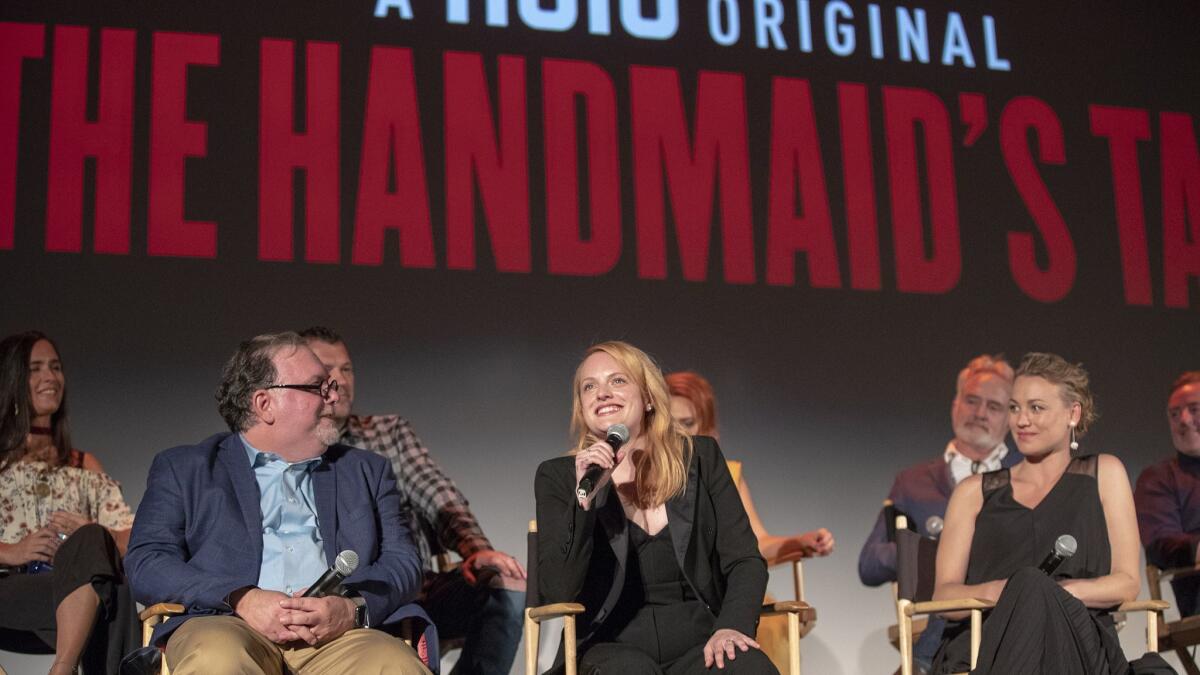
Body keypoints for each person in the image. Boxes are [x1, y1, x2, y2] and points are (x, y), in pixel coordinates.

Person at [125, 332, 431, 675]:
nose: (335, 395)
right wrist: (241, 597)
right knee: (217, 661)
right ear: (264, 404)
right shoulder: (186, 468)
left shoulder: (365, 470)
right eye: (319, 387)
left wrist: (351, 608)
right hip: (226, 623)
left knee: (393, 666)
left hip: (337, 636)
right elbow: (147, 562)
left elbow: (403, 562)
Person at [535, 341, 778, 674]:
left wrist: (731, 626)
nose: (602, 393)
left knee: (747, 668)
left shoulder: (700, 458)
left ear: (649, 397)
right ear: (581, 406)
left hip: (700, 642)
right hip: (608, 647)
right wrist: (585, 501)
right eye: (589, 386)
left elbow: (745, 560)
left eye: (618, 380)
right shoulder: (560, 476)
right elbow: (557, 589)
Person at [299, 326, 524, 675]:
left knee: (505, 581)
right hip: (329, 594)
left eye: (347, 369)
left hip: (411, 589)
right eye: (327, 369)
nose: (340, 380)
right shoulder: (287, 449)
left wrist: (475, 549)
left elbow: (439, 495)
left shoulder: (387, 432)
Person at [930, 353, 1142, 674]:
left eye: (1036, 408)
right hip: (988, 643)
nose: (1021, 420)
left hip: (1076, 638)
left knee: (1033, 585)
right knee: (1028, 584)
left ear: (1073, 413)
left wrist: (1050, 595)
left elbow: (1126, 583)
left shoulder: (1104, 473)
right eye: (1014, 408)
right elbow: (944, 594)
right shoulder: (974, 492)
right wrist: (1011, 592)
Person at [857, 354, 1020, 672]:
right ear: (955, 404)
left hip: (1011, 622)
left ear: (1011, 417)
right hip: (944, 627)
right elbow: (870, 564)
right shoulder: (914, 481)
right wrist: (934, 552)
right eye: (972, 400)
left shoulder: (1027, 475)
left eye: (994, 406)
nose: (980, 413)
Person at [665, 371, 833, 672]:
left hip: (720, 599)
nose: (678, 432)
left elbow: (755, 546)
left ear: (708, 426)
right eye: (670, 422)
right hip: (672, 605)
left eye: (688, 423)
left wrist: (798, 543)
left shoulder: (726, 475)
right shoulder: (645, 475)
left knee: (768, 624)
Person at [0, 331, 138, 675]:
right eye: (35, 369)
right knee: (114, 597)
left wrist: (96, 533)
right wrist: (11, 551)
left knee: (98, 552)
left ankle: (62, 668)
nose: (50, 377)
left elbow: (134, 538)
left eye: (55, 367)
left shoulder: (83, 464)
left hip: (69, 591)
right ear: (12, 380)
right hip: (8, 591)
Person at [1135, 371, 1200, 617]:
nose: (1183, 420)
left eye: (1194, 409)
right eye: (1175, 414)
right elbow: (1161, 546)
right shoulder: (1159, 479)